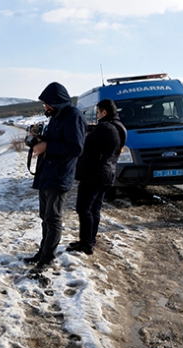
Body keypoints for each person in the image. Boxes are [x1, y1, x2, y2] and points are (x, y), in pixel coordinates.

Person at [24, 82, 86, 270]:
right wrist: (38, 140)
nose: (45, 108)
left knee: (53, 218)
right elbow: (56, 140)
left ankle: (47, 259)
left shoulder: (73, 117)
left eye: (47, 104)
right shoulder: (57, 116)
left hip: (59, 177)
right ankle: (43, 252)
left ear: (56, 101)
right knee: (45, 217)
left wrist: (47, 146)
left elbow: (76, 148)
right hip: (46, 174)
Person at [68, 99, 126, 254]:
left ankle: (86, 243)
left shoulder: (104, 127)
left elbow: (84, 145)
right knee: (95, 209)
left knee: (84, 208)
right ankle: (89, 240)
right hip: (108, 173)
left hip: (94, 174)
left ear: (104, 112)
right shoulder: (119, 127)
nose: (97, 115)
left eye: (98, 112)